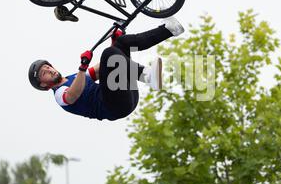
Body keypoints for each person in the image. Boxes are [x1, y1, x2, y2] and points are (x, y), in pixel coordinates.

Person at [28, 17, 185, 121]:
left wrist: (114, 41)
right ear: (43, 84)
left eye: (48, 66)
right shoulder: (59, 95)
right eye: (44, 73)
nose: (50, 70)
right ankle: (148, 76)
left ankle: (170, 29)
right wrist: (83, 67)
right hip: (114, 106)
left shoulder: (72, 78)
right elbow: (73, 95)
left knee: (122, 43)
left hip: (126, 96)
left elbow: (100, 69)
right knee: (109, 54)